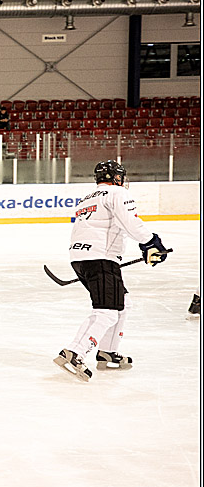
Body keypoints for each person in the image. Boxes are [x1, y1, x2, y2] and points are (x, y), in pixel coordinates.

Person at [54, 160, 168, 382]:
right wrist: (151, 243)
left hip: (80, 258)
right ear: (116, 177)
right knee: (106, 311)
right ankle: (74, 352)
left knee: (122, 304)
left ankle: (107, 350)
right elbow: (130, 222)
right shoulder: (116, 193)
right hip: (101, 259)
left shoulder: (87, 198)